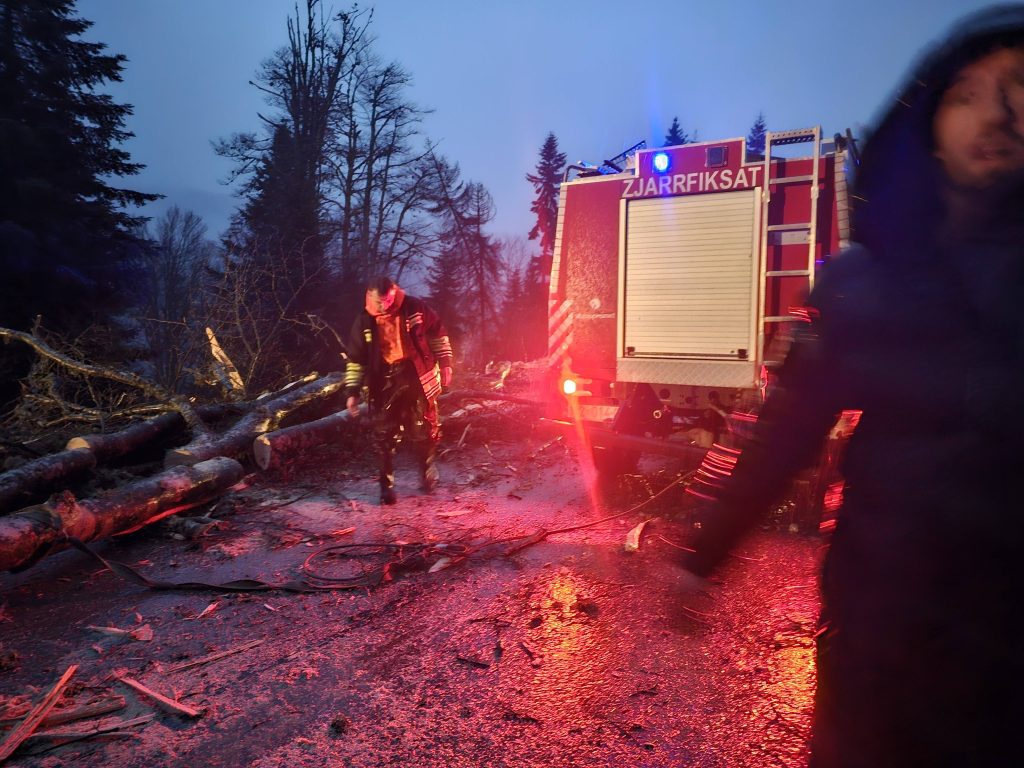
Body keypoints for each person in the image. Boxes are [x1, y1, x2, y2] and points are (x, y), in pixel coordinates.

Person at [675, 7, 1024, 766]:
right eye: (967, 93)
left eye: (1020, 86)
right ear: (930, 124)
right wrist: (703, 556)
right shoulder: (865, 285)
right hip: (879, 656)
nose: (996, 112)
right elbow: (783, 435)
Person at [344, 276, 454, 505]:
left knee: (423, 427)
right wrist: (352, 392)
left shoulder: (415, 308)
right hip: (383, 381)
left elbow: (437, 333)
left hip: (416, 375)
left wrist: (445, 365)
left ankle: (427, 471)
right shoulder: (365, 320)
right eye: (379, 301)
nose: (384, 306)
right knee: (384, 433)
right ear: (370, 296)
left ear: (394, 291)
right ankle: (386, 485)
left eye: (388, 300)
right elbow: (355, 361)